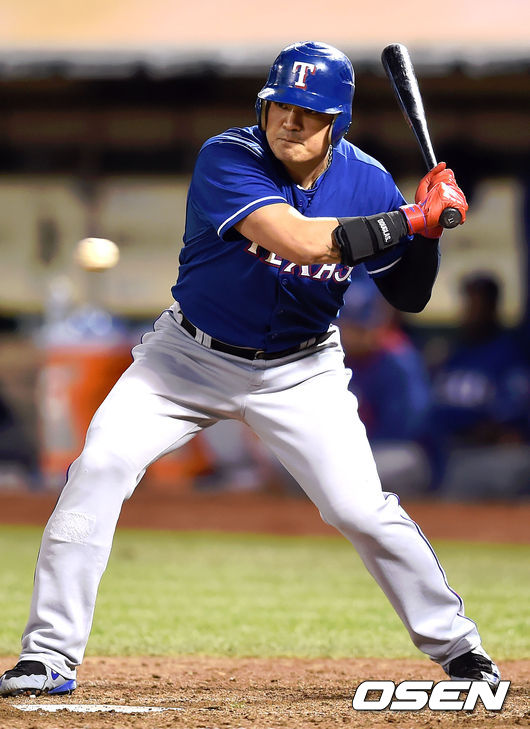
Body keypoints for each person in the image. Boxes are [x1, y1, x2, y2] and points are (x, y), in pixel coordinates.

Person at [0, 41, 499, 697]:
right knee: (99, 467)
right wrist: (412, 217)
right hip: (186, 359)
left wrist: (428, 234)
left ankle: (461, 649)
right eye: (278, 106)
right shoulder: (228, 156)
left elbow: (408, 296)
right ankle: (48, 654)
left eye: (308, 112)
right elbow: (300, 239)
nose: (289, 121)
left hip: (302, 367)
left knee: (360, 508)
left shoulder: (367, 181)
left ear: (337, 122)